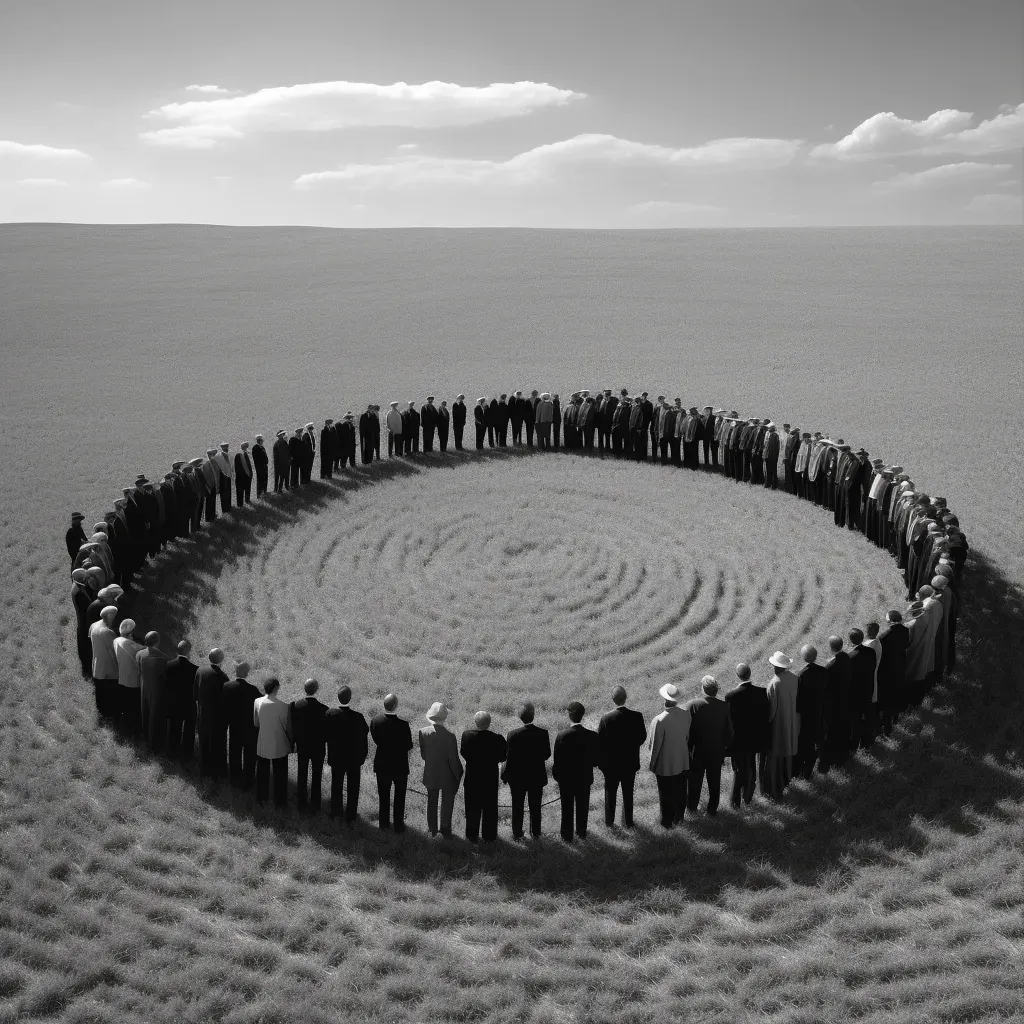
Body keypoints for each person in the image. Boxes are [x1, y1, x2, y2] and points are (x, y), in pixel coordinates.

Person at [597, 685, 647, 828]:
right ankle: (628, 822)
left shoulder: (606, 718)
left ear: (613, 700)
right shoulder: (637, 716)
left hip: (611, 764)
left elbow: (599, 741)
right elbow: (642, 737)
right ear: (625, 698)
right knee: (628, 793)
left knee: (610, 794)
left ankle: (609, 822)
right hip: (629, 762)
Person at [685, 676, 734, 816]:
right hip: (716, 750)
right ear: (716, 690)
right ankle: (712, 810)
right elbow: (729, 731)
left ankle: (692, 808)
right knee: (714, 781)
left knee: (695, 782)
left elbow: (687, 730)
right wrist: (724, 746)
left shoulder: (692, 705)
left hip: (697, 751)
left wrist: (688, 748)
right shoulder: (724, 706)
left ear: (703, 689)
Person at [552, 701, 599, 843]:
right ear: (582, 715)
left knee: (566, 808)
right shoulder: (592, 736)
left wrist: (558, 778)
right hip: (584, 777)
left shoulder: (562, 735)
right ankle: (581, 832)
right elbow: (596, 761)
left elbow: (557, 761)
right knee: (583, 806)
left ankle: (567, 836)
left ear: (569, 715)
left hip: (566, 780)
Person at [502, 702, 550, 840]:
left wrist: (505, 776)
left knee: (517, 806)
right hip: (536, 776)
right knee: (535, 807)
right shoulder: (543, 733)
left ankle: (517, 833)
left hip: (517, 778)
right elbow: (547, 755)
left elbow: (508, 758)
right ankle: (536, 833)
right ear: (533, 716)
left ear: (519, 717)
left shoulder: (512, 734)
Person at [724, 663, 769, 806]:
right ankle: (748, 798)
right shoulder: (762, 692)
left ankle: (735, 802)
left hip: (738, 740)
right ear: (750, 674)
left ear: (738, 676)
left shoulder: (731, 696)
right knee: (751, 769)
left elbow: (729, 720)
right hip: (755, 738)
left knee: (739, 772)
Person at [460, 710, 508, 842]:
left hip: (472, 778)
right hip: (489, 779)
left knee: (472, 809)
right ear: (489, 723)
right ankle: (489, 836)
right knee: (490, 810)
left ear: (475, 723)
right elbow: (503, 757)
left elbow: (463, 753)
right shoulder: (497, 739)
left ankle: (471, 836)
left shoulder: (466, 736)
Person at [648, 682, 691, 827]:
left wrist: (652, 764)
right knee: (681, 790)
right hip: (683, 759)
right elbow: (686, 736)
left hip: (665, 763)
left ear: (664, 700)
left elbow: (655, 747)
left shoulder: (659, 720)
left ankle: (667, 822)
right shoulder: (686, 714)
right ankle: (679, 818)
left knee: (665, 794)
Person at [418, 702, 463, 837]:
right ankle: (445, 828)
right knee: (447, 801)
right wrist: (459, 773)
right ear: (445, 718)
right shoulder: (450, 736)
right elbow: (453, 759)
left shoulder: (423, 732)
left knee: (432, 800)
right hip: (447, 774)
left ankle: (432, 829)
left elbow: (424, 754)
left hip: (431, 772)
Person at [325, 685, 368, 823]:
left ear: (338, 698)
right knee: (353, 788)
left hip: (336, 757)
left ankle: (335, 812)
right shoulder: (358, 717)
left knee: (336, 785)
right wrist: (362, 757)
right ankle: (351, 815)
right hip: (354, 759)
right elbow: (364, 737)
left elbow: (325, 734)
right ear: (350, 698)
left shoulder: (330, 714)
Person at [370, 693, 413, 832]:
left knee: (383, 796)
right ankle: (398, 825)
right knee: (400, 797)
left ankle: (383, 824)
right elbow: (408, 746)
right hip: (400, 766)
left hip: (382, 764)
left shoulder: (375, 721)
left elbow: (375, 738)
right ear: (396, 706)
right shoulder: (403, 725)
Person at [761, 651, 798, 799]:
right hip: (793, 721)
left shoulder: (774, 683)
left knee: (777, 757)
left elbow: (771, 710)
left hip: (779, 724)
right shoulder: (795, 678)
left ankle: (776, 787)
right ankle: (788, 779)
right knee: (789, 753)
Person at [222, 660, 260, 790]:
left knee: (234, 754)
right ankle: (249, 783)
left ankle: (234, 780)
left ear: (235, 671)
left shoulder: (227, 686)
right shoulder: (253, 690)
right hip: (250, 729)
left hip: (234, 727)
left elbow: (224, 707)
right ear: (247, 674)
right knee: (250, 757)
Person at [254, 677, 292, 806]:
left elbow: (256, 723)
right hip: (279, 744)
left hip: (263, 741)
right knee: (280, 774)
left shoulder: (257, 702)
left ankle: (261, 798)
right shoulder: (284, 706)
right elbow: (287, 728)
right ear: (276, 688)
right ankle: (280, 802)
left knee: (262, 773)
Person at [291, 679, 328, 812]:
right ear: (316, 689)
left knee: (302, 774)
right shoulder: (324, 709)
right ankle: (316, 805)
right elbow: (326, 732)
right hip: (318, 747)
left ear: (304, 688)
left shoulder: (295, 706)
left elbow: (293, 728)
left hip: (302, 746)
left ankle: (301, 804)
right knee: (317, 776)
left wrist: (294, 743)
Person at [793, 645, 827, 779]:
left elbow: (798, 698)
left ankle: (804, 773)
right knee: (818, 740)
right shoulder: (824, 671)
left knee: (806, 745)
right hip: (820, 711)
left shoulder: (801, 675)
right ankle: (818, 765)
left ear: (803, 658)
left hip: (806, 715)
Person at [195, 647, 229, 780]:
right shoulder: (223, 677)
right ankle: (217, 773)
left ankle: (204, 770)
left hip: (202, 714)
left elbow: (195, 693)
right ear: (222, 660)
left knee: (203, 742)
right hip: (217, 718)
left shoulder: (200, 670)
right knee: (217, 745)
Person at [819, 636, 851, 772]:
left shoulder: (829, 667)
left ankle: (832, 761)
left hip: (833, 704)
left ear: (831, 648)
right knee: (843, 730)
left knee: (832, 733)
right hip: (846, 699)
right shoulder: (847, 657)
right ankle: (843, 757)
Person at [137, 630, 169, 752]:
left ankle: (145, 738)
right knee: (156, 717)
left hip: (144, 687)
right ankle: (156, 745)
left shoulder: (139, 654)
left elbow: (139, 669)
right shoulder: (163, 658)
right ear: (158, 642)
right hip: (157, 690)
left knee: (145, 712)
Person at [878, 610, 910, 732]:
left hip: (888, 670)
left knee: (887, 699)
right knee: (897, 694)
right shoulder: (905, 630)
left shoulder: (884, 636)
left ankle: (887, 727)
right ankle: (896, 718)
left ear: (890, 621)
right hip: (901, 666)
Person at [166, 639, 198, 757]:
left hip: (173, 703)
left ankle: (173, 752)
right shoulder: (195, 669)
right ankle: (187, 753)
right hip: (189, 705)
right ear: (189, 652)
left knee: (174, 728)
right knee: (189, 730)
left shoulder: (168, 665)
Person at [89, 605, 120, 717]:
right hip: (108, 666)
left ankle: (100, 712)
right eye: (114, 616)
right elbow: (115, 650)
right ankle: (109, 714)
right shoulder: (107, 632)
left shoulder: (93, 625)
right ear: (110, 616)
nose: (115, 619)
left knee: (99, 690)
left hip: (97, 663)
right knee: (110, 691)